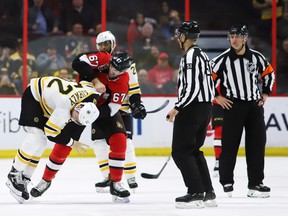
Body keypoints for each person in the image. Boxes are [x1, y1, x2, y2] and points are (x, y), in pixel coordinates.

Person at [30, 51, 133, 203]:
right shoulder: (104, 58)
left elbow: (112, 108)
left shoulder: (123, 82)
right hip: (78, 102)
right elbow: (77, 62)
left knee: (120, 139)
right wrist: (96, 80)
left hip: (101, 110)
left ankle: (116, 182)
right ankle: (46, 179)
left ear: (124, 71)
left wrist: (93, 113)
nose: (112, 71)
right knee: (64, 143)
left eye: (117, 70)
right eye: (112, 66)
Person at [6, 76, 100, 203]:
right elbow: (51, 133)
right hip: (33, 96)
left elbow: (85, 83)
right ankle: (14, 174)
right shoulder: (64, 109)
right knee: (36, 137)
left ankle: (25, 177)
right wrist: (72, 143)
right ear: (78, 108)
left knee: (41, 142)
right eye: (78, 119)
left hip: (47, 97)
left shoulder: (91, 93)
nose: (75, 121)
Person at [211, 24, 275, 198]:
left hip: (254, 107)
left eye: (238, 36)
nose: (234, 40)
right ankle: (226, 181)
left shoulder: (257, 58)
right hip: (233, 106)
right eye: (231, 36)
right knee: (229, 146)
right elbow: (206, 80)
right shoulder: (221, 60)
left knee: (257, 145)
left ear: (245, 39)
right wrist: (217, 97)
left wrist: (265, 95)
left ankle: (255, 184)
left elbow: (269, 74)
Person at [166, 21, 216, 209]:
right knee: (194, 150)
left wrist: (177, 107)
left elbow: (192, 87)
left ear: (184, 37)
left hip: (192, 108)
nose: (178, 38)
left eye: (179, 35)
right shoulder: (202, 54)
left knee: (180, 151)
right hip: (204, 108)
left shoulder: (190, 56)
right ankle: (207, 192)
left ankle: (195, 192)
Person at [93, 31, 147, 194]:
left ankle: (131, 177)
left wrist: (136, 104)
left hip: (120, 109)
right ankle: (107, 176)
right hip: (99, 109)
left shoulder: (125, 63)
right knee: (99, 143)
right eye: (101, 45)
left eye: (107, 44)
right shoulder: (96, 63)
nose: (104, 47)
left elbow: (134, 87)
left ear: (113, 44)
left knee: (126, 142)